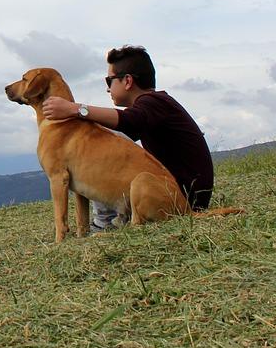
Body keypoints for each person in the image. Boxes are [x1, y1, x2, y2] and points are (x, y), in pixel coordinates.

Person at [41, 45, 215, 220]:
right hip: (175, 193)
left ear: (128, 81)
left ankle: (105, 220)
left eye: (109, 81)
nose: (108, 89)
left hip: (179, 196)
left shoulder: (154, 102)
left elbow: (128, 121)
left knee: (102, 142)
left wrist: (75, 109)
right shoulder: (156, 106)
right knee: (109, 138)